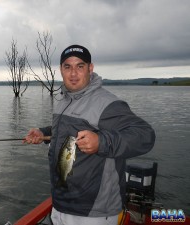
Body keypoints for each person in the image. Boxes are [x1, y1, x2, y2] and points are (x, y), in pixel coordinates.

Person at [23, 44, 155, 225]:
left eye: (80, 66)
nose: (73, 73)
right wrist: (43, 133)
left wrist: (102, 142)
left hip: (94, 212)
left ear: (90, 68)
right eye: (67, 67)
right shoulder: (64, 99)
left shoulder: (108, 104)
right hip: (61, 203)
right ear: (61, 70)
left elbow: (145, 135)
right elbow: (66, 131)